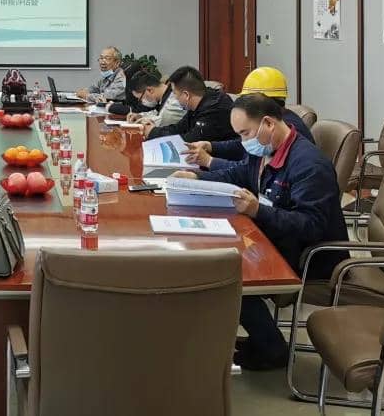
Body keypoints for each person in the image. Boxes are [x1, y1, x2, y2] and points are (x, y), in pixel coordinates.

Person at [171, 93, 348, 370]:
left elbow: (311, 226)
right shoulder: (265, 150)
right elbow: (239, 173)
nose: (244, 142)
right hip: (272, 237)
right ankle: (261, 340)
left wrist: (258, 211)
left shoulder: (309, 165)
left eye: (246, 133)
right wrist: (197, 177)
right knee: (212, 256)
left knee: (225, 271)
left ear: (268, 123)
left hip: (309, 256)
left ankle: (271, 349)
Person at [185, 67, 313, 166]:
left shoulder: (285, 130)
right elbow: (242, 147)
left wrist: (210, 161)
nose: (245, 104)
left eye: (249, 99)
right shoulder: (276, 121)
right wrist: (211, 146)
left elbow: (247, 170)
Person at [145, 66, 236, 142]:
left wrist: (153, 133)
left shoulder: (214, 108)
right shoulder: (197, 104)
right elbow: (178, 128)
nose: (175, 98)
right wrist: (153, 130)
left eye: (175, 94)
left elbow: (189, 140)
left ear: (186, 95)